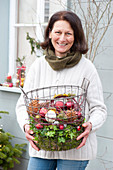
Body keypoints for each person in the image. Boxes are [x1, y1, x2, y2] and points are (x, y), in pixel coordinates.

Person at [16, 11, 107, 170]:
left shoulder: (87, 68)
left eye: (68, 33)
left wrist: (90, 125)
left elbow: (99, 108)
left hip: (76, 151)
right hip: (41, 149)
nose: (62, 39)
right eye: (58, 32)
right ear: (50, 33)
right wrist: (26, 126)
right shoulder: (38, 66)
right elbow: (23, 105)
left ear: (76, 36)